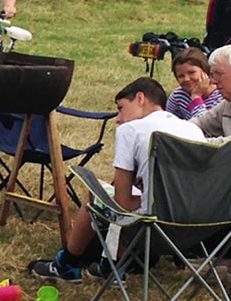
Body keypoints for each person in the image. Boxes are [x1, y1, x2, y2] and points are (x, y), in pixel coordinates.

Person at [28, 77, 204, 282]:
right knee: (127, 196)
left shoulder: (131, 130)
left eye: (121, 108)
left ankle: (67, 264)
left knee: (98, 192)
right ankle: (110, 266)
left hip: (153, 226)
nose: (118, 119)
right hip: (196, 225)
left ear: (140, 98)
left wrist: (146, 199)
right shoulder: (193, 130)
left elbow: (123, 202)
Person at [164, 49, 224, 121]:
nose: (186, 79)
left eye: (191, 72)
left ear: (205, 70)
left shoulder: (221, 97)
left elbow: (205, 126)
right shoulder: (178, 95)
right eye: (181, 76)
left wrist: (196, 97)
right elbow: (167, 122)